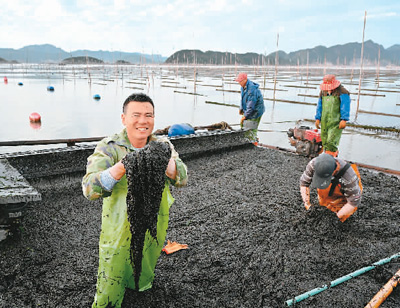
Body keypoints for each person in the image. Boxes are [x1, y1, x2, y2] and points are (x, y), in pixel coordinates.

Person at [82, 93, 188, 308]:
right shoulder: (109, 147)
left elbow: (182, 178)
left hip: (155, 218)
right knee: (113, 270)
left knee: (146, 263)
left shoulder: (163, 145)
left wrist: (163, 162)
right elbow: (89, 188)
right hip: (118, 224)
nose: (143, 121)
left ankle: (140, 286)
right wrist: (124, 165)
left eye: (148, 115)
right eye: (136, 115)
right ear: (124, 118)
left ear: (154, 118)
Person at [299, 153, 362, 222]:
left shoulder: (349, 178)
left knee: (342, 219)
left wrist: (335, 218)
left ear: (334, 171)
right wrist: (307, 204)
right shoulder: (314, 163)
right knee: (323, 205)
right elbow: (304, 183)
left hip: (346, 194)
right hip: (330, 189)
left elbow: (353, 202)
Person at [315, 74, 350, 157]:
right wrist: (317, 118)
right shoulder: (323, 92)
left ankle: (332, 157)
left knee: (332, 140)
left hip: (336, 121)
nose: (329, 90)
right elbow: (320, 105)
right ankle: (327, 157)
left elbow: (345, 106)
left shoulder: (342, 92)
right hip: (324, 120)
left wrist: (344, 119)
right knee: (324, 139)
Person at [235, 72, 265, 144]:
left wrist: (245, 116)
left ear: (245, 80)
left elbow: (251, 105)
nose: (239, 83)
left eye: (240, 81)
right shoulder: (243, 87)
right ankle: (250, 139)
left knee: (251, 128)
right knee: (243, 124)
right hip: (249, 110)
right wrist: (241, 108)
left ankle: (254, 143)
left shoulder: (252, 90)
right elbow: (242, 99)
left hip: (256, 111)